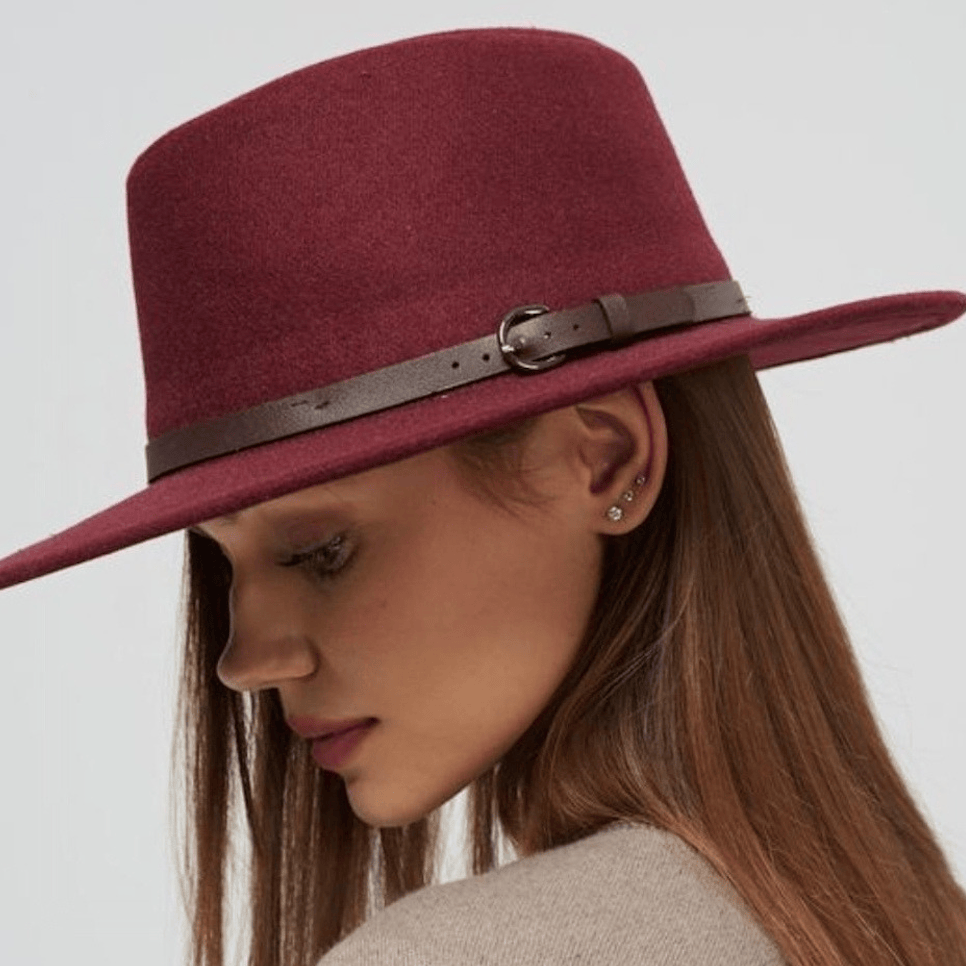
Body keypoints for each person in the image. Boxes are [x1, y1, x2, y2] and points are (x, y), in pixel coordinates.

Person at [1, 25, 964, 966]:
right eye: (224, 564)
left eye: (319, 551)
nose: (243, 662)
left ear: (606, 458)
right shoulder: (895, 913)